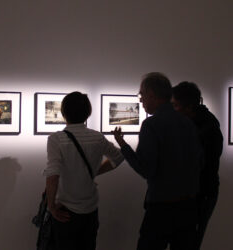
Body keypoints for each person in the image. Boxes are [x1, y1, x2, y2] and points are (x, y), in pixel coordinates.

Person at [112, 72, 203, 250]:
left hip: (162, 207)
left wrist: (123, 147)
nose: (141, 100)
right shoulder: (188, 123)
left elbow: (146, 169)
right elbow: (199, 161)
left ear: (152, 94)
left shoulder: (152, 125)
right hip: (188, 207)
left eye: (142, 95)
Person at [43, 91, 124, 250]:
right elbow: (118, 157)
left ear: (64, 113)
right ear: (88, 113)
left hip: (65, 210)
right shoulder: (97, 137)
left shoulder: (56, 139)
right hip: (90, 209)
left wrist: (51, 206)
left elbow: (53, 174)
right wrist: (93, 172)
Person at [172, 81, 223, 250]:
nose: (173, 109)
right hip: (193, 193)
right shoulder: (193, 124)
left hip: (202, 194)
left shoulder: (208, 128)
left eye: (176, 105)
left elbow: (201, 165)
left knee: (189, 242)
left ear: (189, 107)